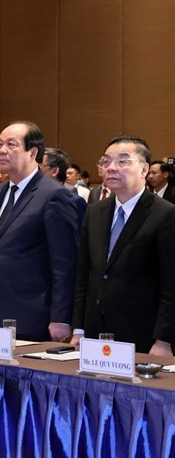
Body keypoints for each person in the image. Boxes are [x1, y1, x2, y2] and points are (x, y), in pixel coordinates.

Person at [0, 122, 82, 342]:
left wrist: (61, 317)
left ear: (33, 152)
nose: (2, 150)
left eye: (11, 145)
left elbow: (65, 263)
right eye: (0, 144)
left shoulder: (54, 195)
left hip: (30, 312)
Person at [71, 136, 175, 356]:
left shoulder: (165, 214)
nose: (111, 168)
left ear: (144, 169)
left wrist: (164, 339)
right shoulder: (94, 211)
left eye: (122, 162)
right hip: (94, 332)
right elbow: (84, 275)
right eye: (106, 162)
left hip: (142, 335)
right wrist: (79, 328)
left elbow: (171, 284)